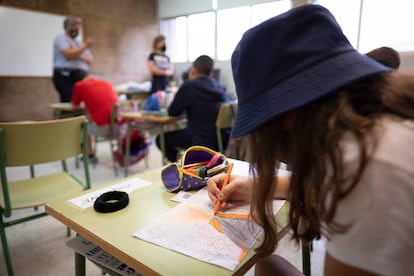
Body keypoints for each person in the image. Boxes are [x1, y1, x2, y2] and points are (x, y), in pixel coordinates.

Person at [207, 4, 414, 276]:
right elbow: (323, 185)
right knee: (268, 265)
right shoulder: (381, 127)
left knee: (267, 267)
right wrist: (257, 186)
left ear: (287, 117)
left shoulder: (367, 167)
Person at [156, 55, 233, 162]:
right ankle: (187, 163)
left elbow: (173, 112)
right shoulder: (221, 87)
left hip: (201, 141)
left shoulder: (189, 86)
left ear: (193, 70)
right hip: (223, 141)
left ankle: (179, 166)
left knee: (161, 139)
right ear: (210, 72)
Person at [72, 77, 118, 159]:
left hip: (104, 128)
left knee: (83, 125)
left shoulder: (79, 85)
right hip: (119, 127)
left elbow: (75, 105)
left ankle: (89, 154)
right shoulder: (106, 83)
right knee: (91, 117)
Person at [53, 17, 94, 102]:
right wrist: (85, 47)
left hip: (80, 76)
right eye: (73, 26)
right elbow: (68, 54)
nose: (76, 29)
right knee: (69, 101)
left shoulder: (80, 43)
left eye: (77, 27)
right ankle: (65, 115)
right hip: (65, 76)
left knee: (82, 102)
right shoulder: (61, 39)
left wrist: (77, 53)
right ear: (66, 27)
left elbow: (89, 60)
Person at [145, 35, 174, 111]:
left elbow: (171, 70)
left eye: (165, 42)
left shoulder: (167, 57)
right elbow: (153, 70)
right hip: (156, 83)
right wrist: (165, 72)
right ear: (157, 43)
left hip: (166, 82)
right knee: (155, 100)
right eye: (162, 42)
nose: (164, 44)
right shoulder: (152, 55)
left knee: (167, 100)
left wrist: (164, 72)